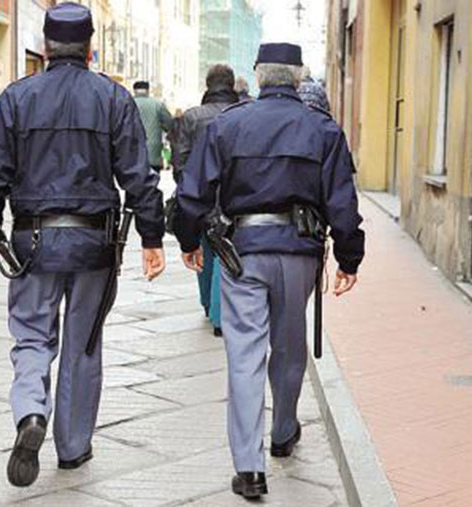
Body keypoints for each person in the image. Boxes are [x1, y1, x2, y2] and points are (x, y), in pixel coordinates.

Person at [0, 2, 166, 489]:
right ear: (90, 46)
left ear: (46, 44)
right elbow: (138, 174)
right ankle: (74, 447)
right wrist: (151, 235)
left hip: (32, 240)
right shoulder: (112, 98)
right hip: (94, 241)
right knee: (84, 343)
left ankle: (31, 412)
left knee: (31, 335)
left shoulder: (17, 98)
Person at [175, 43, 365, 499]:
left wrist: (187, 238)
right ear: (298, 77)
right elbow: (342, 201)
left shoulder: (228, 124)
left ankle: (249, 468)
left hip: (243, 251)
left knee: (244, 354)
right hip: (299, 251)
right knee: (289, 342)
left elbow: (193, 191)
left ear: (258, 75)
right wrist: (349, 256)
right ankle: (283, 431)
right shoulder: (323, 129)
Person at [173, 64, 241, 336]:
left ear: (208, 84)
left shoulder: (192, 117)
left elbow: (180, 163)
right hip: (233, 196)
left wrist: (188, 189)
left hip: (201, 194)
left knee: (204, 248)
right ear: (231, 85)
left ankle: (209, 306)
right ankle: (219, 312)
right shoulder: (243, 114)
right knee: (226, 250)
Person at [133, 81, 173, 172]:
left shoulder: (127, 103)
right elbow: (169, 124)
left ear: (134, 90)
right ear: (148, 90)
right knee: (152, 178)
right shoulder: (158, 104)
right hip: (153, 154)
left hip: (132, 154)